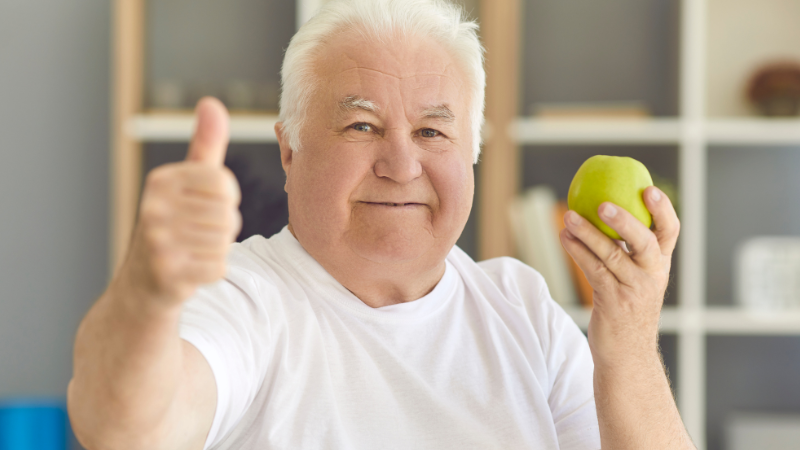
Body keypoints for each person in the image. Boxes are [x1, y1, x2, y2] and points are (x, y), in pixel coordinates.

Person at [67, 0, 695, 449]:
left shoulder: (523, 308)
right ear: (290, 152)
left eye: (432, 131)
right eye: (361, 126)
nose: (401, 165)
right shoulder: (239, 298)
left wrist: (630, 340)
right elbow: (123, 430)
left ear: (471, 154)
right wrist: (146, 294)